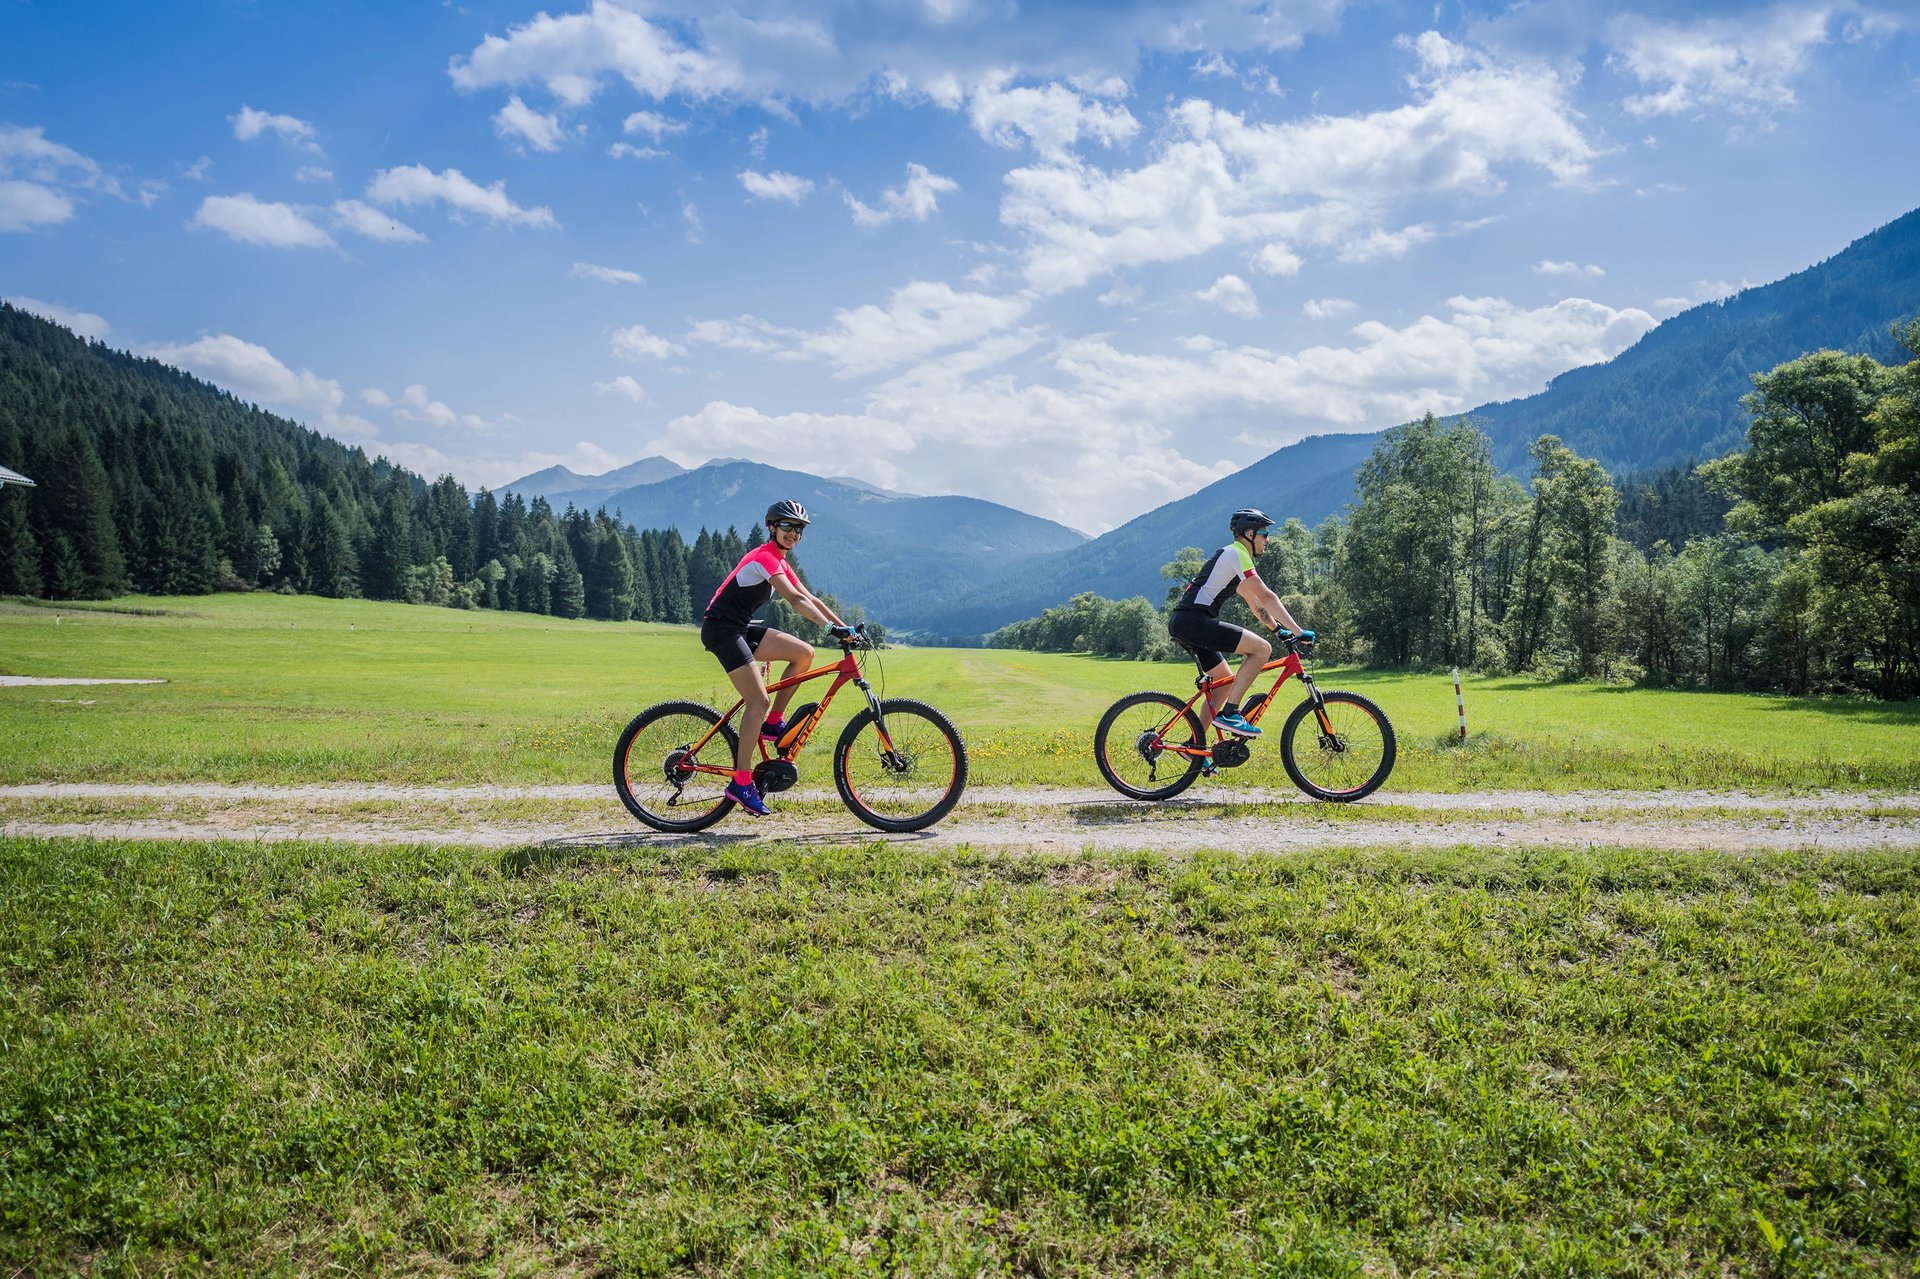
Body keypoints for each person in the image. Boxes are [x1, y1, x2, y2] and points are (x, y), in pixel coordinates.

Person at [701, 500, 852, 816]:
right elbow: (796, 599)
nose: (793, 533)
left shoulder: (782, 562)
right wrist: (828, 629)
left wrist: (844, 628)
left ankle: (772, 725)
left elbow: (811, 597)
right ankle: (741, 783)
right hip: (721, 630)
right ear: (772, 527)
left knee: (804, 654)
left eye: (798, 528)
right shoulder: (765, 558)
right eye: (786, 526)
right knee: (757, 701)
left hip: (741, 628)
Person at [1167, 508, 1311, 740]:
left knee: (1224, 683)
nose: (1268, 539)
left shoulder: (1232, 560)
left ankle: (1195, 746)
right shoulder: (1237, 554)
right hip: (1194, 621)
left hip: (1187, 622)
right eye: (1264, 533)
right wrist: (1298, 631)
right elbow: (1267, 597)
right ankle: (1231, 713)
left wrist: (1278, 630)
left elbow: (1257, 605)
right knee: (1262, 649)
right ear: (1250, 534)